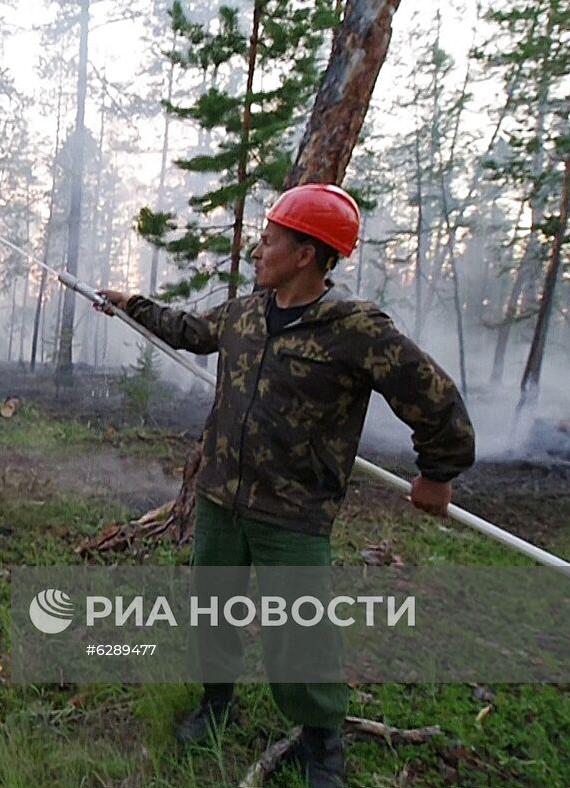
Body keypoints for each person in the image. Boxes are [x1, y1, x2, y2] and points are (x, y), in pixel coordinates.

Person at [95, 184, 475, 788]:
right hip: (223, 497)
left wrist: (437, 473)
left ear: (306, 254)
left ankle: (322, 742)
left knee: (299, 630)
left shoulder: (355, 330)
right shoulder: (247, 312)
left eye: (269, 240)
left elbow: (433, 396)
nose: (257, 250)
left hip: (292, 513)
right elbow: (191, 328)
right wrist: (129, 304)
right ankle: (215, 703)